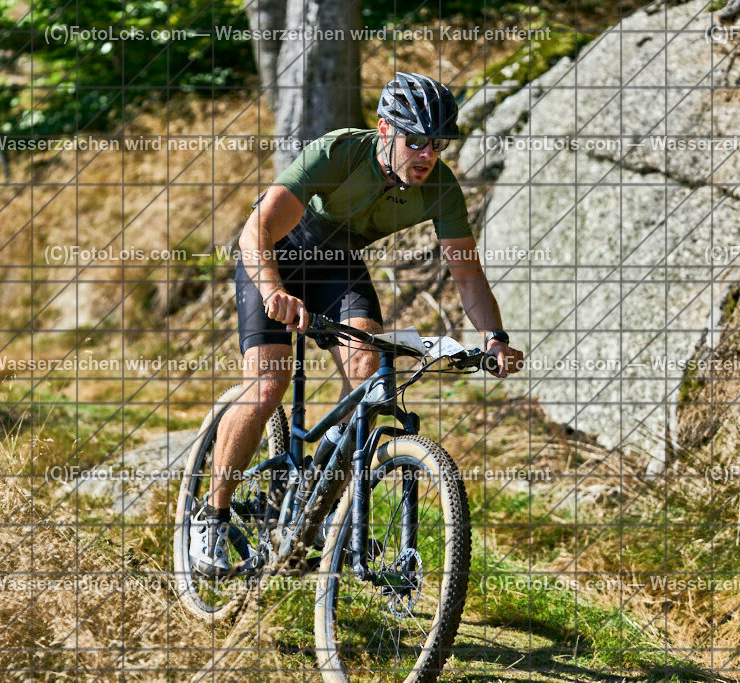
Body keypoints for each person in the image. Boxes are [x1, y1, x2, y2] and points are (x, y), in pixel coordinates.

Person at [190, 72, 524, 576]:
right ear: (385, 129)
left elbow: (467, 273)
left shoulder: (441, 188)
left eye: (438, 144)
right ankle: (211, 518)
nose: (427, 154)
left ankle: (320, 501)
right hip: (278, 255)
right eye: (416, 141)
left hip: (338, 266)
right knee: (267, 386)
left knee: (368, 376)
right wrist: (274, 291)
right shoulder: (339, 152)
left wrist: (494, 339)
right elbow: (256, 230)